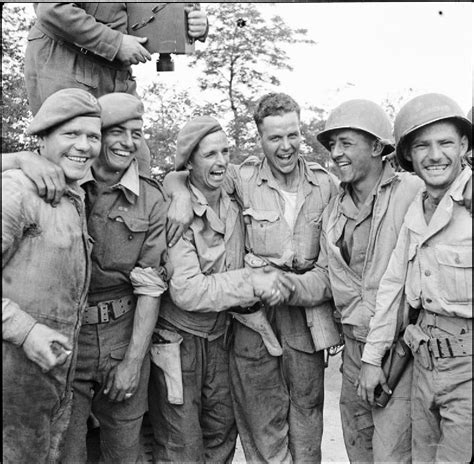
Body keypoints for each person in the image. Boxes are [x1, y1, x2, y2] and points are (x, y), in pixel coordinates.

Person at [166, 93, 338, 463]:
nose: (286, 146)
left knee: (308, 418)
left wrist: (291, 286)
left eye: (292, 135)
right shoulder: (240, 178)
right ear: (259, 138)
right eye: (275, 138)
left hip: (305, 316)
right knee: (261, 423)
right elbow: (188, 172)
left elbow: (330, 266)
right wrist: (176, 189)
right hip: (251, 318)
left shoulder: (326, 185)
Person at [273, 99, 422, 463]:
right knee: (360, 451)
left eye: (346, 143)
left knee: (394, 455)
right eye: (332, 145)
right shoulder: (334, 210)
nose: (336, 153)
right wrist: (280, 286)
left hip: (402, 353)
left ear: (376, 147)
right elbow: (325, 277)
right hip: (355, 350)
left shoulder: (411, 192)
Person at [148, 116, 284, 463]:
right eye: (209, 154)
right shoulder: (176, 212)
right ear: (190, 161)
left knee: (222, 433)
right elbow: (188, 291)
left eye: (225, 152)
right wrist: (251, 282)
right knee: (182, 444)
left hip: (223, 338)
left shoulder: (233, 197)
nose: (221, 161)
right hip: (180, 341)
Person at [361, 93, 472, 463]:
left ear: (464, 146)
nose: (434, 155)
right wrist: (372, 359)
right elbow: (392, 289)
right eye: (422, 145)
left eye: (445, 143)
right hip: (424, 365)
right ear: (408, 154)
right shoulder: (417, 209)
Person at [2, 88, 102, 463]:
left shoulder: (74, 195)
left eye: (93, 136)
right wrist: (25, 331)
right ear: (41, 139)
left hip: (47, 394)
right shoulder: (17, 189)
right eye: (70, 134)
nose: (84, 146)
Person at [24, 3, 208, 115]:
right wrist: (116, 43)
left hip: (117, 73)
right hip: (65, 63)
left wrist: (195, 23)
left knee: (136, 160)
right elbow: (52, 9)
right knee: (72, 157)